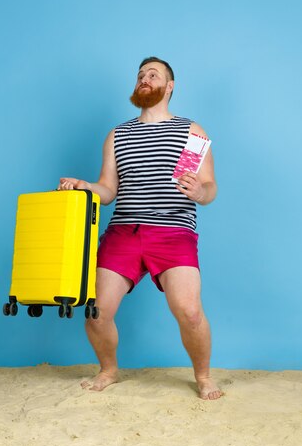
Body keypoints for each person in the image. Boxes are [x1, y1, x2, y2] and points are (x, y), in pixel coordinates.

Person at [57, 57, 223, 400]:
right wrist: (84, 185)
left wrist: (199, 192)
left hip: (174, 232)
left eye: (153, 75)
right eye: (140, 76)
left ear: (170, 86)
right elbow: (108, 191)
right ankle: (108, 370)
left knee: (190, 312)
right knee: (96, 313)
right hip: (124, 233)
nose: (144, 79)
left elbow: (208, 188)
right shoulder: (118, 135)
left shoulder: (190, 132)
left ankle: (204, 377)